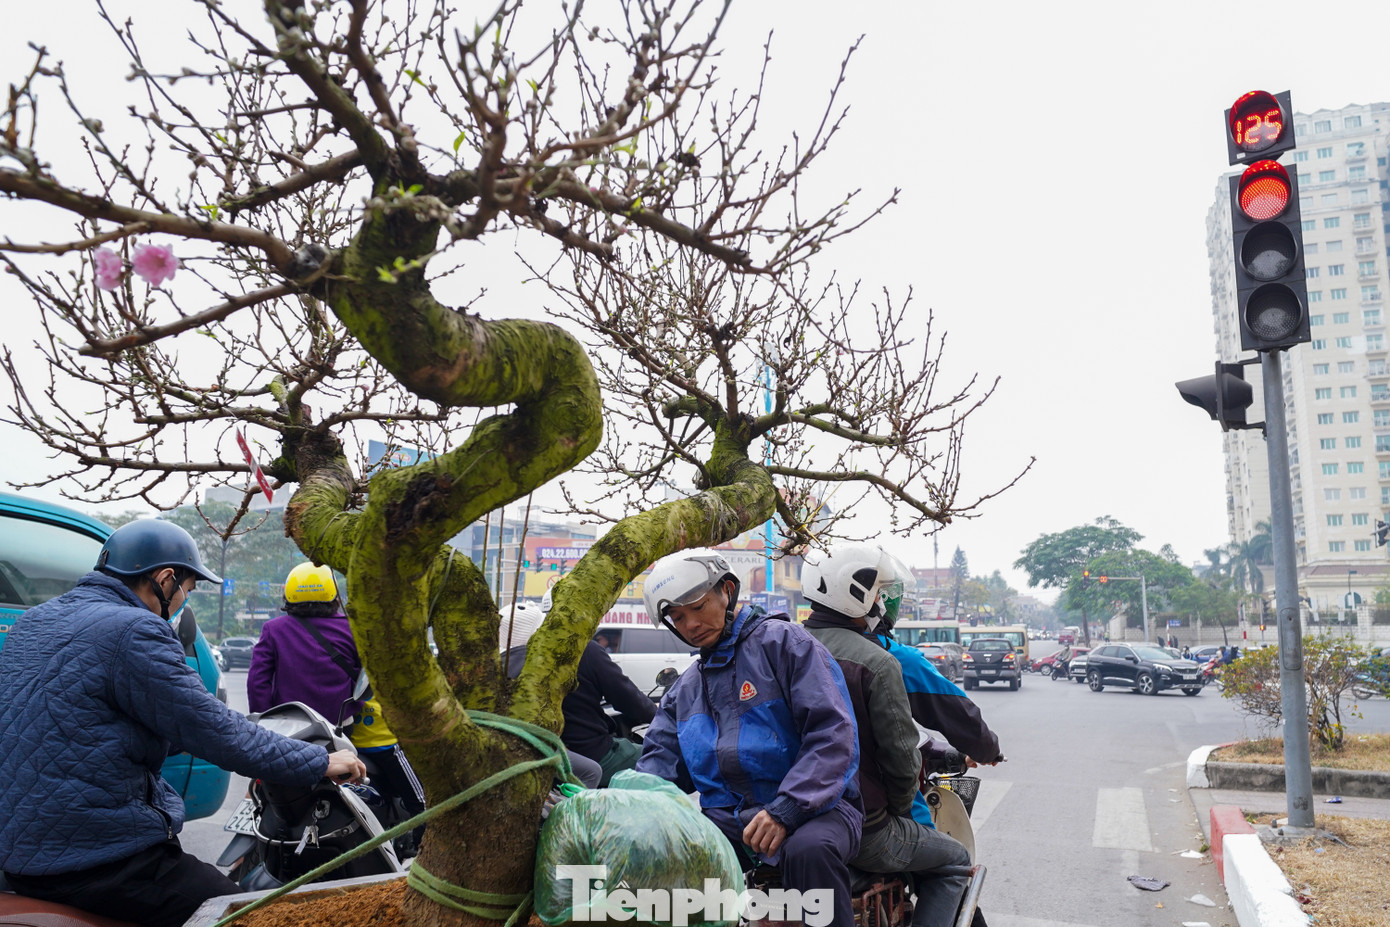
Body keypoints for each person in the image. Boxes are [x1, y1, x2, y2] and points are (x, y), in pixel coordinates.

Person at [0, 521, 364, 927]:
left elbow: (83, 723)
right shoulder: (135, 630)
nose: (182, 603)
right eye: (187, 592)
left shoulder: (36, 621)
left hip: (21, 848)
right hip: (94, 857)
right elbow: (215, 730)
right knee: (252, 917)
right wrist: (317, 761)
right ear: (165, 579)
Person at [635, 548, 863, 927]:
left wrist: (786, 809)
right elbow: (656, 766)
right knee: (676, 861)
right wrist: (618, 810)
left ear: (726, 591)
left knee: (810, 852)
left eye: (697, 606)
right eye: (677, 617)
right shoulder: (684, 690)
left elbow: (833, 735)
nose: (690, 624)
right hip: (732, 821)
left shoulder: (787, 645)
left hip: (817, 809)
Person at [801, 543, 983, 926]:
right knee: (956, 863)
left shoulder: (782, 649)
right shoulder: (880, 662)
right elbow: (902, 760)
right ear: (857, 592)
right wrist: (898, 812)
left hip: (791, 822)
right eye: (879, 593)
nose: (883, 603)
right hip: (864, 827)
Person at [248, 563, 427, 844]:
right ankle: (422, 836)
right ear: (334, 597)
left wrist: (265, 723)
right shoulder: (353, 630)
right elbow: (371, 677)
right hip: (342, 734)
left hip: (287, 735)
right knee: (418, 796)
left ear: (287, 598)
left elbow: (257, 684)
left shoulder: (273, 629)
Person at [503, 596, 653, 787]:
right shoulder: (581, 649)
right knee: (661, 759)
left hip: (540, 757)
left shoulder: (501, 666)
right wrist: (661, 717)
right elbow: (628, 698)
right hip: (593, 754)